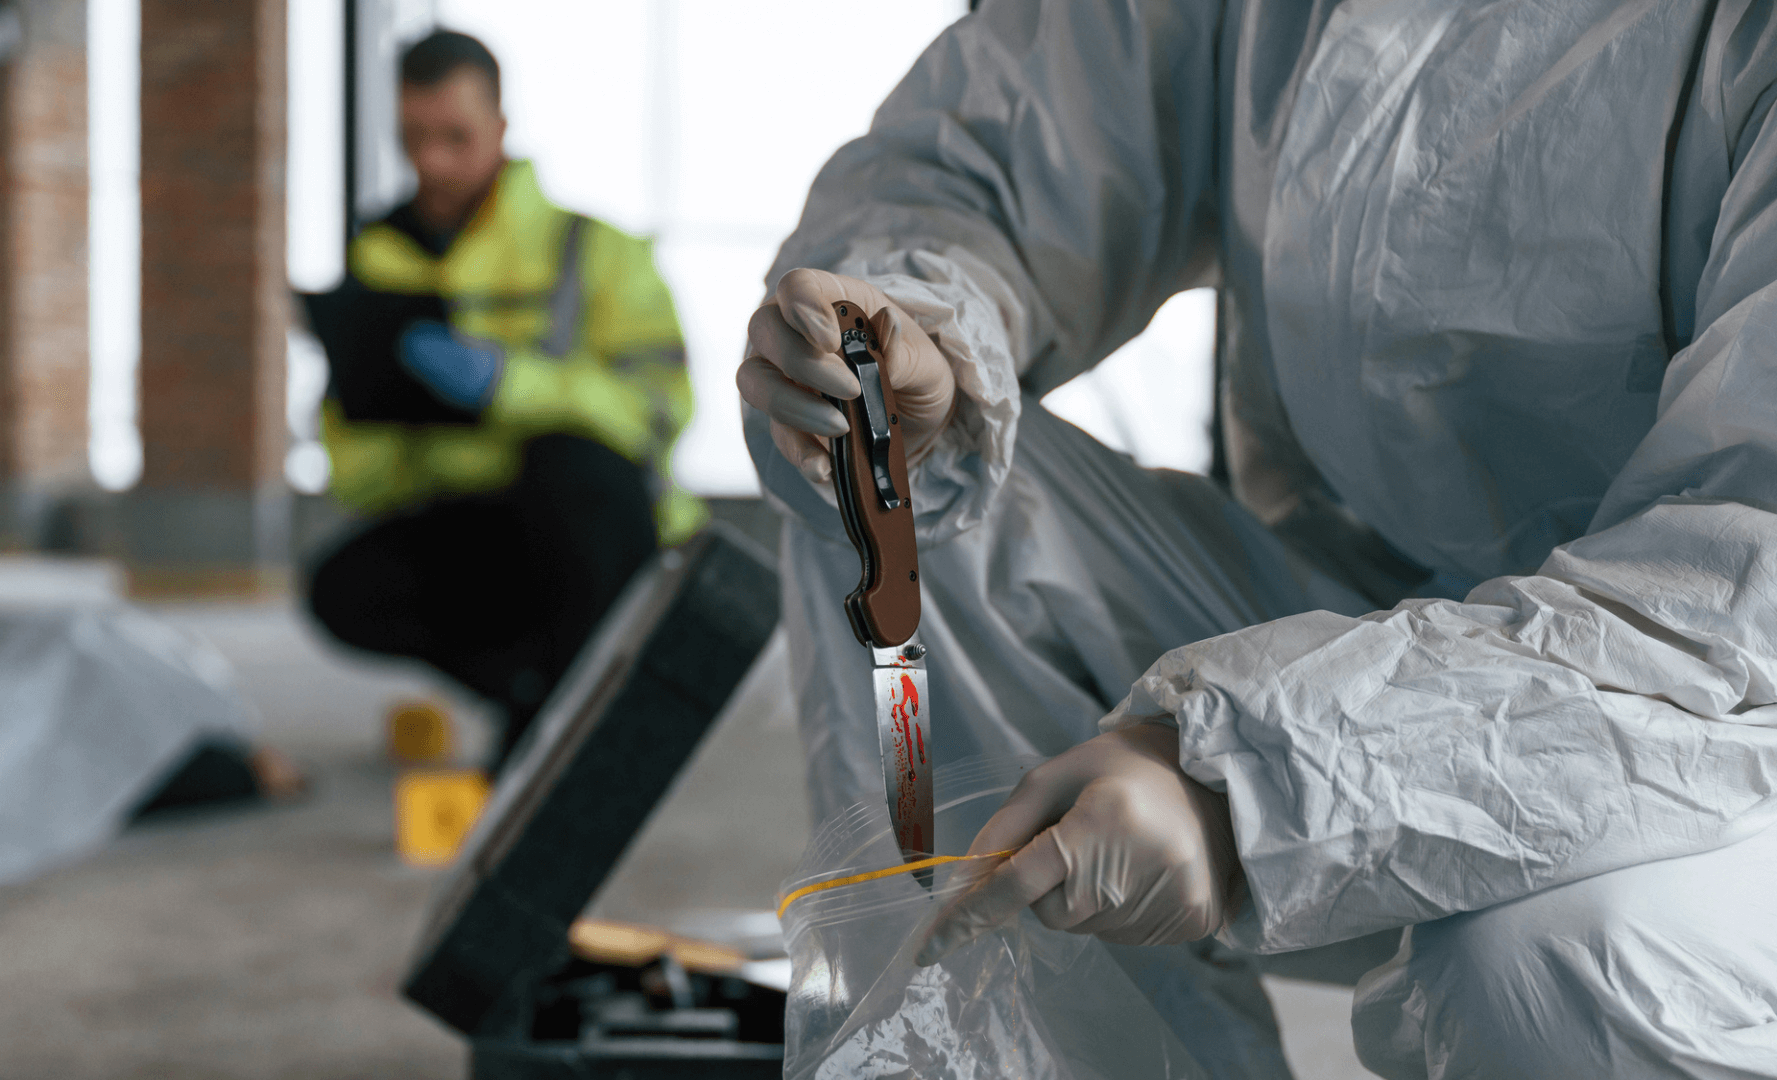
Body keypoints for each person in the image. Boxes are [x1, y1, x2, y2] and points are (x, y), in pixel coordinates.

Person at [739, 2, 1777, 1077]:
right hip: (1373, 611)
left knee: (1553, 970)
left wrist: (1248, 775)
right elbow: (1002, 144)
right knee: (909, 492)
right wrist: (903, 333)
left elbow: (1735, 592)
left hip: (1721, 714)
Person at [306, 30, 703, 761]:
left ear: (500, 128)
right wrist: (363, 403)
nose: (432, 162)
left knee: (569, 471)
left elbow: (659, 408)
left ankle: (580, 715)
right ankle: (541, 698)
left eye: (455, 137)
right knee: (343, 587)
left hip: (601, 532)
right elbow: (363, 477)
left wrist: (507, 386)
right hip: (483, 529)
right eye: (413, 138)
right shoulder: (377, 261)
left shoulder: (596, 250)